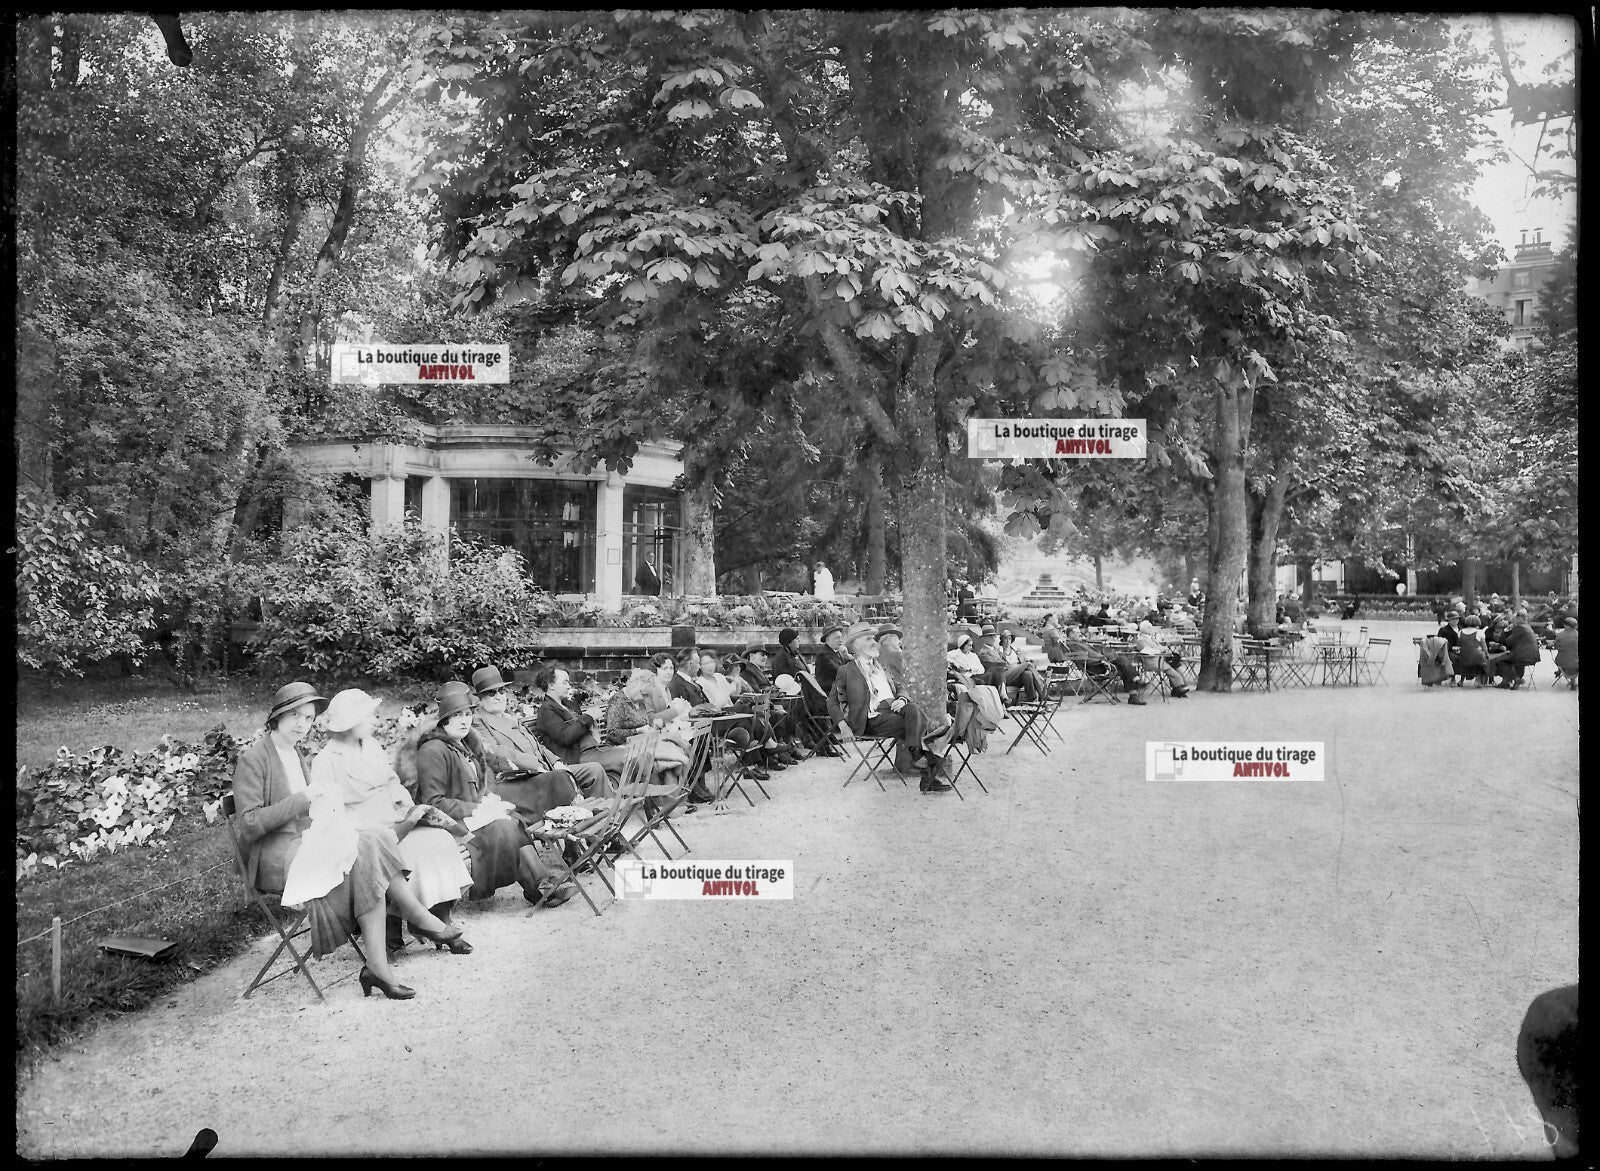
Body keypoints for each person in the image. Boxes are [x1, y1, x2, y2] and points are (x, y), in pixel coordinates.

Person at [232, 683, 463, 1001]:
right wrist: (305, 799)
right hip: (274, 855)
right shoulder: (254, 758)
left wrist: (327, 812)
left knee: (374, 839)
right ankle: (417, 921)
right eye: (294, 716)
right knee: (369, 845)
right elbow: (249, 824)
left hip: (307, 841)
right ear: (277, 717)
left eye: (309, 717)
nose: (302, 724)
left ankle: (379, 966)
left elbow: (314, 811)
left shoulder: (294, 753)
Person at [309, 688, 475, 959]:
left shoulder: (371, 747)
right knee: (408, 852)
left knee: (440, 839)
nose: (374, 721)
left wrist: (404, 805)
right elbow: (328, 813)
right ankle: (411, 924)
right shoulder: (327, 761)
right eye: (367, 717)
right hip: (361, 834)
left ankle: (439, 918)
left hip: (392, 820)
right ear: (350, 723)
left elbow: (391, 782)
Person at [412, 686, 578, 908]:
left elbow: (479, 786)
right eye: (456, 716)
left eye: (467, 714)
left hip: (472, 816)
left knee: (512, 818)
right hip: (448, 823)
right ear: (444, 720)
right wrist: (479, 810)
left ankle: (540, 885)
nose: (464, 721)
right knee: (505, 826)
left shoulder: (465, 744)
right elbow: (433, 803)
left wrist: (491, 801)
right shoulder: (433, 750)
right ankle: (539, 885)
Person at [827, 621, 954, 793]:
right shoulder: (847, 670)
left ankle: (918, 755)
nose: (874, 641)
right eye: (869, 638)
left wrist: (901, 698)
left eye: (873, 638)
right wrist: (842, 725)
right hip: (870, 719)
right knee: (923, 727)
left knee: (913, 709)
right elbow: (833, 701)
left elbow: (900, 687)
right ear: (856, 645)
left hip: (894, 711)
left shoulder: (881, 666)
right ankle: (925, 764)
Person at [467, 667, 612, 805]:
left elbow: (537, 745)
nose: (499, 696)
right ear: (480, 698)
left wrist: (555, 762)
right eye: (492, 693)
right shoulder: (478, 722)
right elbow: (497, 751)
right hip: (524, 777)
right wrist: (535, 765)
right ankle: (582, 824)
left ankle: (608, 821)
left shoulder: (509, 717)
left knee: (594, 770)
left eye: (502, 691)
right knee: (562, 779)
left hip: (546, 768)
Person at [534, 667, 632, 776]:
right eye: (565, 682)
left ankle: (647, 790)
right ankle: (646, 790)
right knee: (631, 757)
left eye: (568, 682)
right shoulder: (547, 709)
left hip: (595, 749)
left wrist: (590, 724)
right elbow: (565, 737)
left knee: (638, 754)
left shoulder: (568, 704)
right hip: (579, 756)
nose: (569, 686)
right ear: (551, 685)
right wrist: (588, 716)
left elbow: (580, 727)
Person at [976, 626, 1046, 704]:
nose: (993, 638)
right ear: (983, 638)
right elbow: (998, 666)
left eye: (994, 636)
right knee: (1027, 665)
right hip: (999, 678)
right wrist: (1016, 667)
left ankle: (1033, 701)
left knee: (1027, 674)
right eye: (990, 636)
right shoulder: (983, 653)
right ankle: (1043, 693)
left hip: (1008, 675)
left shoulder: (995, 650)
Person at [1134, 620, 1190, 697]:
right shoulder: (1141, 640)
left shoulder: (1151, 638)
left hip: (1159, 659)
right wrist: (1162, 649)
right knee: (1170, 668)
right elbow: (1147, 650)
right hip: (1151, 661)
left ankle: (1178, 688)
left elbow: (1158, 647)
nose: (1151, 629)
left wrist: (1163, 649)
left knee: (1175, 665)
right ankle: (1178, 687)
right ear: (1143, 629)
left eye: (1151, 627)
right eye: (1148, 628)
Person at [1495, 611, 1541, 689]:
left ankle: (1516, 679)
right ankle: (1507, 681)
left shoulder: (1520, 628)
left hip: (1522, 655)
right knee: (1508, 660)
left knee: (1499, 661)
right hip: (1532, 655)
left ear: (1519, 618)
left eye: (1514, 619)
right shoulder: (1527, 626)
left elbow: (1508, 641)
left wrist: (1505, 631)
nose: (1513, 621)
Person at [814, 625, 850, 695]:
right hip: (828, 693)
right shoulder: (823, 654)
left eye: (841, 637)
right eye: (837, 638)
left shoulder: (837, 653)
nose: (841, 640)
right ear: (828, 640)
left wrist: (847, 656)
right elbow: (838, 672)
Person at [1455, 615, 1491, 686]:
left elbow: (1459, 644)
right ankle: (1478, 680)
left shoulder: (1460, 632)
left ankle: (1461, 680)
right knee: (1484, 662)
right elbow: (1484, 646)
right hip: (1476, 655)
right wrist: (1487, 654)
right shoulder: (1479, 632)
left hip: (1464, 655)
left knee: (1465, 665)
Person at [1552, 617, 1578, 688]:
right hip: (1577, 663)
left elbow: (1556, 646)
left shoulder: (1559, 635)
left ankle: (1560, 671)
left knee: (1563, 656)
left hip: (1562, 662)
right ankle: (1573, 680)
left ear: (1565, 625)